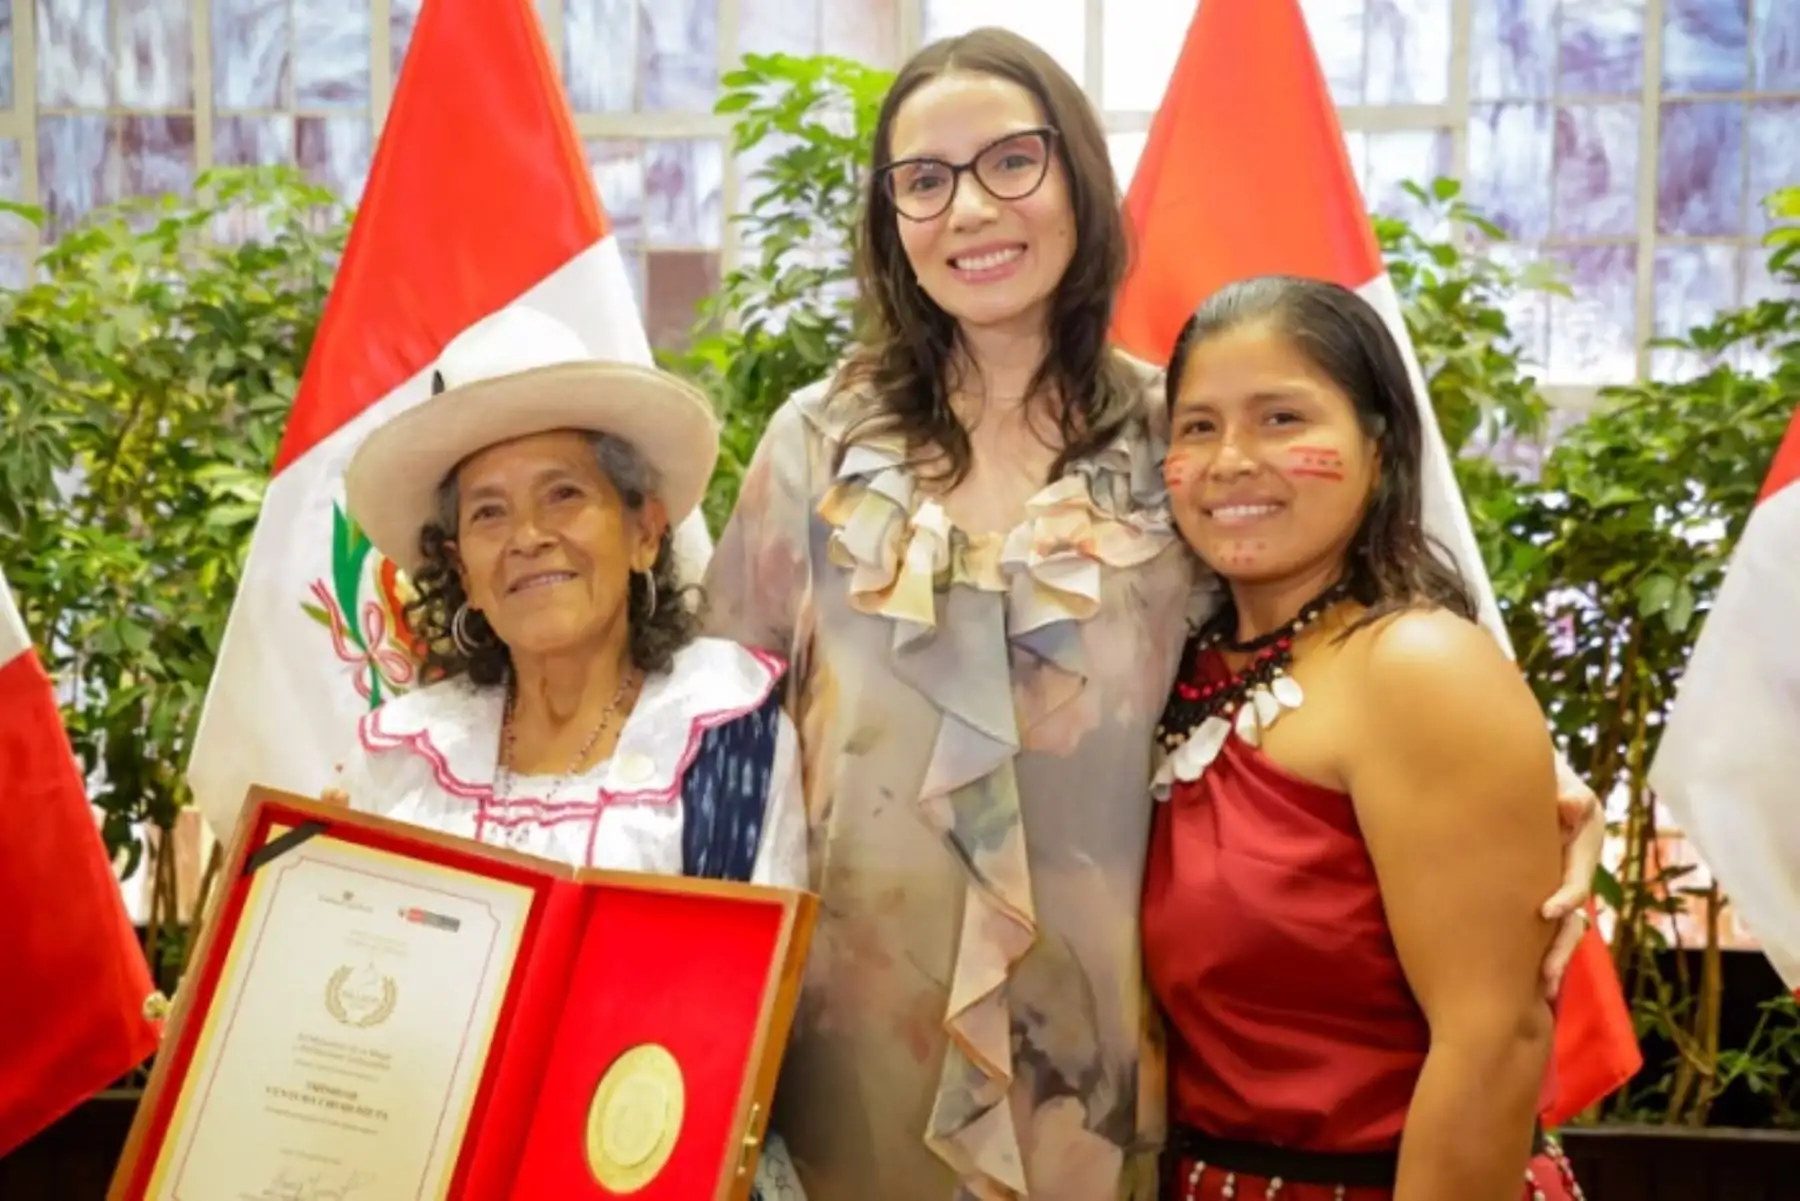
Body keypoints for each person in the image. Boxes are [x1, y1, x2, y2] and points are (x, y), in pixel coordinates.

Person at [704, 27, 1601, 1201]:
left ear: (1078, 177)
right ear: (890, 222)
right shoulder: (812, 447)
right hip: (849, 1056)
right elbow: (711, 737)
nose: (970, 208)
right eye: (924, 180)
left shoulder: (1178, 441)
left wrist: (1548, 788)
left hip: (1105, 1071)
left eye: (1012, 161)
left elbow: (1343, 644)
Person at [326, 303, 809, 1197]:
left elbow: (756, 1027)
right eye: (488, 512)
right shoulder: (406, 758)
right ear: (460, 565)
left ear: (645, 531)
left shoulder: (730, 733)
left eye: (565, 493)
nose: (528, 536)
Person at [1142, 275, 1584, 1201]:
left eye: (1281, 418)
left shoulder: (1418, 668)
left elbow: (1494, 1040)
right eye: (1198, 426)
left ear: (1378, 451)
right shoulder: (1168, 671)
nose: (1230, 460)